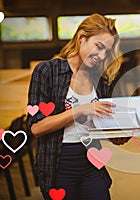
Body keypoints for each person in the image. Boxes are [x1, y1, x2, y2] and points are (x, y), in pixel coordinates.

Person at [27, 13, 129, 200]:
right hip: (58, 165)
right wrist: (80, 110)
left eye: (106, 51)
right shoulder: (47, 71)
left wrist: (120, 134)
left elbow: (102, 126)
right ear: (81, 38)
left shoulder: (100, 80)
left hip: (91, 162)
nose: (102, 56)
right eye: (98, 47)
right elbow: (36, 127)